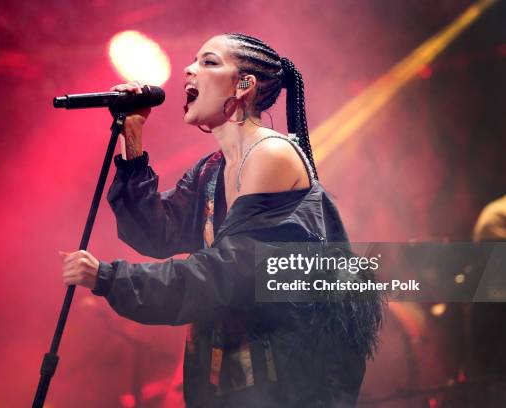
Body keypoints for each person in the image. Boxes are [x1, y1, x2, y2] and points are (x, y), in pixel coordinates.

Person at [60, 33, 383, 407]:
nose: (188, 70)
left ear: (244, 86)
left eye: (209, 62)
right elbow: (156, 232)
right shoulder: (212, 170)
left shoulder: (271, 154)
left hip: (285, 383)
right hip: (232, 383)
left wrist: (110, 277)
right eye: (195, 61)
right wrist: (132, 134)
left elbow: (225, 276)